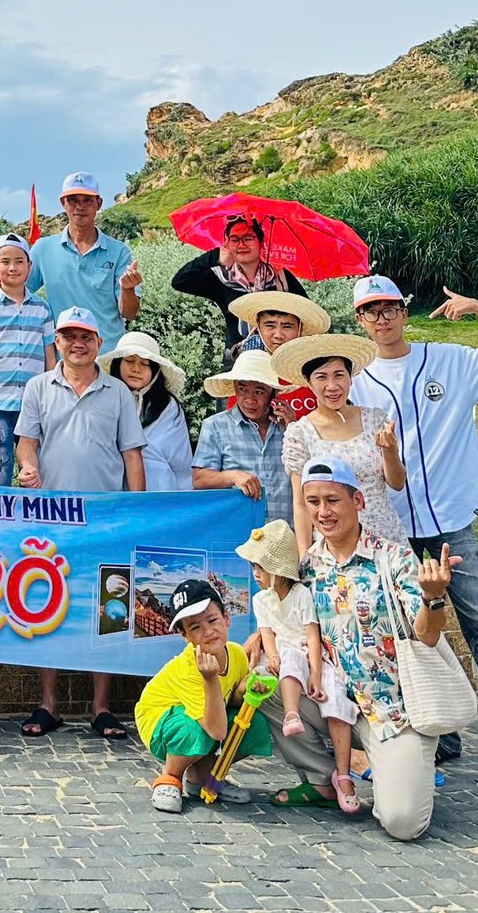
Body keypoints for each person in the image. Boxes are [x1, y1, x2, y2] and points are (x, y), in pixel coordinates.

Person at [348, 274, 478, 783]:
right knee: (412, 635)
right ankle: (441, 736)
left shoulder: (446, 358)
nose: (382, 318)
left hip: (450, 523)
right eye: (371, 311)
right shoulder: (356, 382)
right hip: (394, 529)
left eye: (389, 308)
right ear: (360, 321)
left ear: (404, 311)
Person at [266, 458, 461, 839]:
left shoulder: (394, 559)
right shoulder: (307, 567)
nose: (323, 512)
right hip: (334, 703)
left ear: (358, 501)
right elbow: (285, 618)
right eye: (314, 502)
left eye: (333, 500)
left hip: (392, 713)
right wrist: (260, 639)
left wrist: (433, 598)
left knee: (403, 823)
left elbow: (427, 635)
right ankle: (324, 779)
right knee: (267, 686)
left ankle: (396, 765)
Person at [15, 306, 145, 739]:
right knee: (47, 607)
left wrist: (137, 512)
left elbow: (132, 455)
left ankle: (101, 707)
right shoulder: (38, 387)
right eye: (69, 336)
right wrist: (28, 467)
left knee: (109, 610)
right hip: (52, 519)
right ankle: (48, 704)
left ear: (98, 343)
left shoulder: (118, 392)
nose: (77, 344)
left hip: (107, 521)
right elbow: (26, 444)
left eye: (86, 336)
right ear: (57, 342)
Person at [237, 518, 359, 813]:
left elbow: (312, 636)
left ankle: (343, 774)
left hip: (314, 657)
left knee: (336, 701)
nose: (255, 574)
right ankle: (297, 724)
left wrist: (315, 672)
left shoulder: (301, 594)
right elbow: (267, 632)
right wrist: (272, 655)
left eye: (261, 567)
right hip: (288, 658)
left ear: (277, 569)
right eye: (253, 567)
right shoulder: (261, 600)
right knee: (273, 672)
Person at [135, 575, 273, 812]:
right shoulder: (190, 670)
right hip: (161, 721)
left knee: (254, 724)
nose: (208, 631)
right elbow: (216, 731)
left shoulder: (236, 654)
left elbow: (231, 700)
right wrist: (210, 679)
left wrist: (245, 688)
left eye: (212, 620)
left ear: (226, 618)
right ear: (185, 636)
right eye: (195, 627)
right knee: (194, 730)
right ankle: (171, 776)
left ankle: (202, 775)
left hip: (205, 720)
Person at [275, 333, 406, 545]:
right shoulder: (300, 433)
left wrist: (390, 450)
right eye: (321, 377)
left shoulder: (374, 419)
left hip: (385, 537)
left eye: (339, 375)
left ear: (350, 378)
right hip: (334, 545)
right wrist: (305, 555)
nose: (332, 386)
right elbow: (301, 503)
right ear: (308, 382)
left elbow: (397, 483)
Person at [0, 231, 56, 485]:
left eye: (19, 261)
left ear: (29, 266)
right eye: (5, 261)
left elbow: (49, 357)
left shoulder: (42, 308)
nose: (12, 268)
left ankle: (34, 507)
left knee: (35, 469)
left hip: (33, 402)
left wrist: (51, 395)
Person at [171, 214, 308, 359]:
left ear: (261, 242)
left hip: (277, 357)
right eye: (235, 240)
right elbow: (180, 281)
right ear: (227, 243)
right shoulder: (221, 278)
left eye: (248, 238)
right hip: (236, 358)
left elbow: (306, 312)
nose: (241, 245)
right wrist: (214, 256)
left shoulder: (279, 277)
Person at [27, 174, 141, 336]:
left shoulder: (119, 252)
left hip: (108, 349)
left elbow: (130, 313)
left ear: (98, 204)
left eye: (87, 200)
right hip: (63, 350)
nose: (80, 207)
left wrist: (128, 289)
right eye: (73, 200)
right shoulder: (42, 249)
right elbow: (17, 291)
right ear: (63, 203)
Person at [192, 350, 291, 524]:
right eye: (242, 389)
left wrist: (292, 429)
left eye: (259, 391)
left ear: (273, 392)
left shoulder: (289, 427)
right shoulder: (216, 426)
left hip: (287, 530)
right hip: (238, 529)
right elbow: (199, 479)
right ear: (234, 388)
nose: (249, 399)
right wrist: (232, 476)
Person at [99, 331, 192, 491]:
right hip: (111, 489)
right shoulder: (103, 399)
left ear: (155, 370)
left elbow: (181, 463)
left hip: (159, 490)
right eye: (129, 360)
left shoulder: (168, 406)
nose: (136, 369)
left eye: (145, 363)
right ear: (117, 363)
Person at [226, 289, 333, 418]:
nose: (278, 335)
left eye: (287, 326)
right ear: (258, 326)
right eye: (270, 326)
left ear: (300, 328)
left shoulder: (318, 369)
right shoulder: (249, 370)